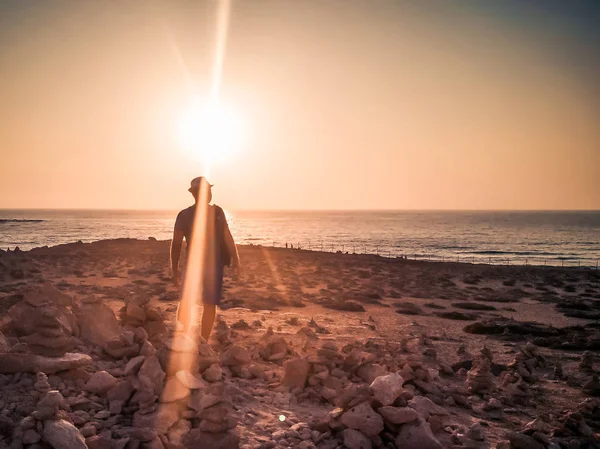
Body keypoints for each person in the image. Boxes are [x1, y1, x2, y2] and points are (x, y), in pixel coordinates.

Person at [170, 177, 240, 340]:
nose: (209, 193)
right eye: (207, 190)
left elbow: (227, 236)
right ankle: (186, 336)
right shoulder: (184, 215)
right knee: (189, 302)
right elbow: (176, 243)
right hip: (195, 266)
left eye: (210, 190)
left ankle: (203, 341)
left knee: (208, 304)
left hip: (214, 266)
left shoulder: (217, 212)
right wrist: (174, 268)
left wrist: (236, 258)